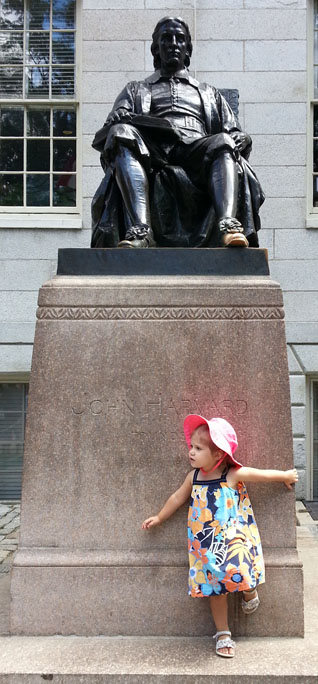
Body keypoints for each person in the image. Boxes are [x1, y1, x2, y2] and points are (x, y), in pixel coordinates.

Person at [91, 16, 265, 250]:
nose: (173, 43)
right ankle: (141, 231)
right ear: (156, 48)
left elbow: (233, 131)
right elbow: (114, 125)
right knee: (120, 131)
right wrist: (118, 118)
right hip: (152, 151)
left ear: (187, 49)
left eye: (179, 39)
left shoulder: (209, 93)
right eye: (166, 38)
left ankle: (228, 225)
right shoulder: (135, 89)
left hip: (196, 148)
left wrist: (245, 138)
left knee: (223, 140)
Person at [141, 414, 298, 658]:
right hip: (206, 546)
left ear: (218, 455)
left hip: (232, 540)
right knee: (215, 588)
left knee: (243, 568)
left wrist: (285, 476)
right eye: (191, 447)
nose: (191, 452)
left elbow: (260, 474)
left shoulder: (231, 474)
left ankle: (249, 591)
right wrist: (160, 517)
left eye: (198, 448)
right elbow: (177, 498)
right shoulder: (194, 478)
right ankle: (223, 633)